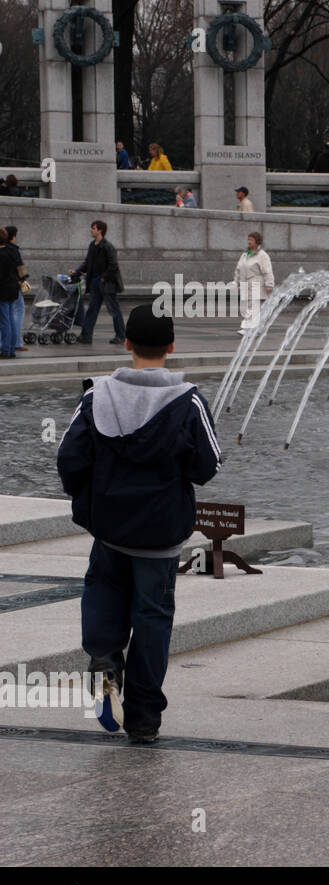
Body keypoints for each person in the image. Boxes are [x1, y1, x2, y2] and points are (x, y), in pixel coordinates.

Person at [55, 305, 222, 744]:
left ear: (126, 343)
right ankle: (144, 718)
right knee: (153, 617)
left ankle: (105, 658)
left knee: (103, 589)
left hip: (110, 526)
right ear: (170, 347)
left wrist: (90, 499)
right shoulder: (188, 401)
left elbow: (69, 459)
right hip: (161, 534)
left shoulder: (97, 395)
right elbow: (207, 465)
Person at [70, 220, 125, 345]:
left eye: (93, 228)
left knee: (114, 310)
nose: (91, 230)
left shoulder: (107, 246)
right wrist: (77, 272)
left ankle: (121, 335)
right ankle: (86, 336)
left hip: (106, 284)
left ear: (100, 230)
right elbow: (87, 263)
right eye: (91, 228)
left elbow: (113, 265)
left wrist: (103, 278)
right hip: (95, 283)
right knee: (92, 310)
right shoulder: (92, 245)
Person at [235, 232, 274, 334]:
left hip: (256, 284)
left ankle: (252, 329)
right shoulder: (244, 255)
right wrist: (236, 282)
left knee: (254, 307)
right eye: (248, 240)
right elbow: (238, 269)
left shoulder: (262, 256)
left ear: (257, 242)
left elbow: (267, 271)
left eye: (251, 240)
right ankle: (250, 328)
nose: (249, 242)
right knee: (247, 306)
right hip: (245, 284)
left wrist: (269, 285)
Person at [4, 226, 27, 352]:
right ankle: (16, 342)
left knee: (6, 315)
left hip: (5, 287)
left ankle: (9, 342)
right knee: (18, 312)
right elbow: (20, 268)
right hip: (14, 286)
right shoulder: (13, 250)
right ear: (13, 236)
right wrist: (23, 280)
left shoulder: (3, 249)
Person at [0, 228, 22, 359]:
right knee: (11, 319)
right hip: (13, 289)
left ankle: (6, 349)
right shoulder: (12, 251)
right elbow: (19, 268)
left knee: (4, 321)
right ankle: (12, 348)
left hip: (2, 291)